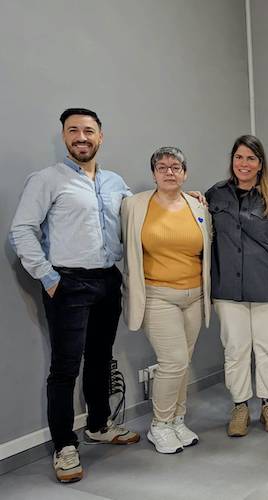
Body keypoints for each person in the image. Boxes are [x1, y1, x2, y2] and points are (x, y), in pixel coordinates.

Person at [9, 108, 140, 483]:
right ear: (64, 137)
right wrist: (49, 278)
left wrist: (185, 197)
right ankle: (65, 446)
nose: (81, 137)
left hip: (107, 282)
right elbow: (22, 231)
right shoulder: (47, 180)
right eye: (73, 131)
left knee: (100, 358)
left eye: (88, 130)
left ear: (101, 136)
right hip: (68, 284)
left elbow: (142, 216)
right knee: (65, 369)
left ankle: (99, 424)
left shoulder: (116, 183)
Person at [121, 147, 212, 454]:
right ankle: (159, 425)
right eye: (162, 167)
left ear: (185, 173)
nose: (169, 171)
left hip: (194, 297)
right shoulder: (134, 205)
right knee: (173, 361)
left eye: (176, 167)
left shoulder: (198, 205)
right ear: (154, 173)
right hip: (157, 295)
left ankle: (177, 420)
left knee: (183, 362)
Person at [207, 135, 268, 436]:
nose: (244, 164)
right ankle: (240, 406)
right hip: (228, 290)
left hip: (267, 284)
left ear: (260, 164)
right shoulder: (215, 196)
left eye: (251, 159)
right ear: (232, 161)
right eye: (239, 157)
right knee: (235, 349)